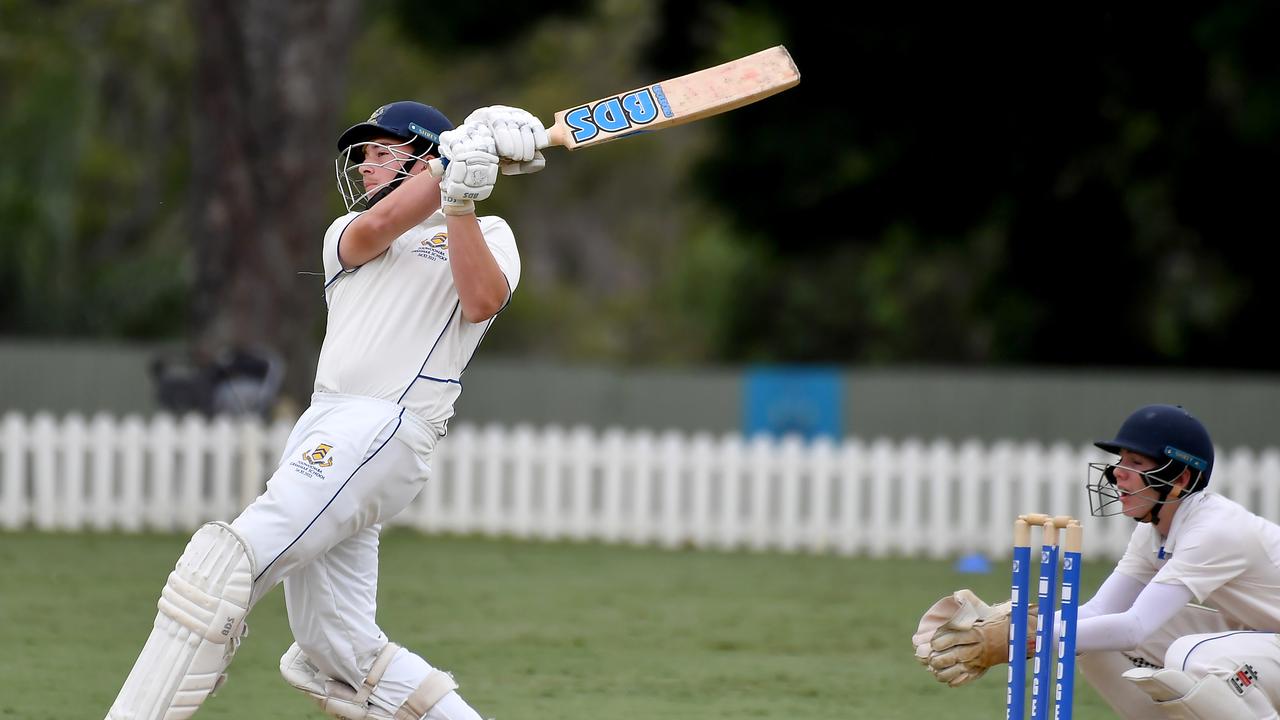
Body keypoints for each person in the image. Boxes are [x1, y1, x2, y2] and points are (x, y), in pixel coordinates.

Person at [104, 100, 548, 720]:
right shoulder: (347, 235)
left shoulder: (488, 233)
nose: (365, 164)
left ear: (421, 150)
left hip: (387, 424)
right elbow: (379, 226)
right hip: (325, 424)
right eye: (361, 153)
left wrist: (461, 199)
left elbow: (480, 300)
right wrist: (455, 160)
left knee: (222, 572)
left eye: (381, 149)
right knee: (335, 648)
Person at [913, 404, 1280, 719]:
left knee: (1189, 655)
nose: (1118, 471)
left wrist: (1030, 638)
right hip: (1262, 641)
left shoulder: (1214, 529)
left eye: (1135, 462)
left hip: (1267, 643)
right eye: (1120, 460)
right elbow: (1099, 612)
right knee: (1086, 637)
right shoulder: (1155, 530)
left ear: (1180, 478)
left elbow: (1135, 627)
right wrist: (1019, 629)